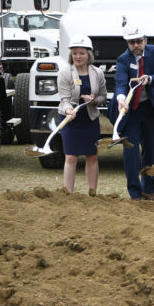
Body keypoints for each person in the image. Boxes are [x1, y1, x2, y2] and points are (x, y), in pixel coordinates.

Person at [109, 17, 154, 201]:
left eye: (139, 41)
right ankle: (135, 193)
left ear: (145, 40)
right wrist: (121, 99)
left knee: (150, 150)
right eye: (132, 42)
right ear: (127, 43)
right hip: (130, 111)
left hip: (149, 109)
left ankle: (149, 190)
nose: (136, 45)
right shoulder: (122, 60)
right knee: (131, 152)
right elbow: (120, 83)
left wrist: (149, 79)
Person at [58, 34, 107, 195]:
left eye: (82, 53)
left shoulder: (97, 73)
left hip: (90, 118)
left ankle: (92, 192)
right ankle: (68, 194)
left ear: (89, 55)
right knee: (71, 157)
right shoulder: (65, 73)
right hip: (71, 119)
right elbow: (64, 99)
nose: (78, 56)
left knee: (92, 156)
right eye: (75, 53)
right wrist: (68, 110)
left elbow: (103, 97)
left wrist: (94, 100)